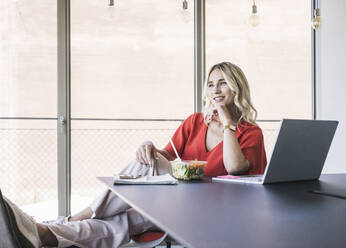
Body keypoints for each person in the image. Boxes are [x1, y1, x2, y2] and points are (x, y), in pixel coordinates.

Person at [0, 62, 267, 248]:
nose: (215, 90)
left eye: (223, 84)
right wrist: (149, 148)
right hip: (174, 203)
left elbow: (236, 168)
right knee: (123, 221)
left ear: (236, 88)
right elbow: (165, 155)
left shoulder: (249, 132)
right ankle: (44, 235)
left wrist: (227, 121)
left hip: (212, 212)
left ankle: (72, 219)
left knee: (121, 217)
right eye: (211, 85)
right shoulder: (195, 121)